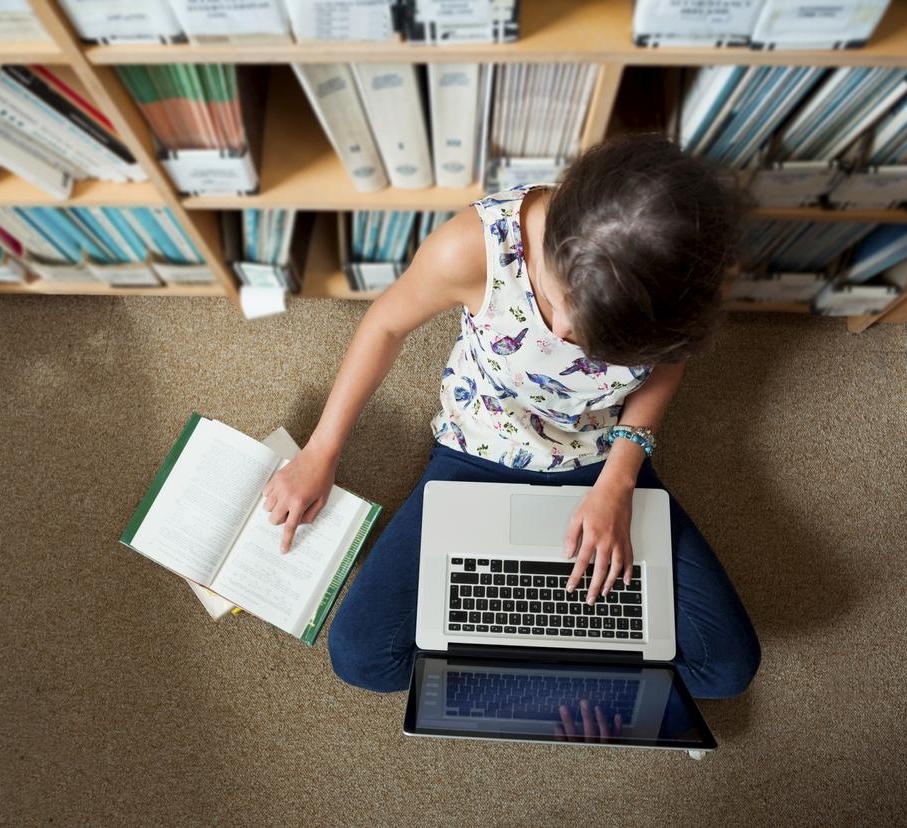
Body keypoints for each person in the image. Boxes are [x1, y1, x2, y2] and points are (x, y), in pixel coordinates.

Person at [261, 132, 761, 699]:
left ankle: (538, 667)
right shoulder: (474, 247)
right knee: (362, 657)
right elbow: (386, 325)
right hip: (476, 451)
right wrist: (321, 451)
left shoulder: (684, 287)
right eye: (560, 302)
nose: (569, 335)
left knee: (726, 668)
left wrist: (618, 482)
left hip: (604, 459)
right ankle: (568, 670)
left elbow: (668, 366)